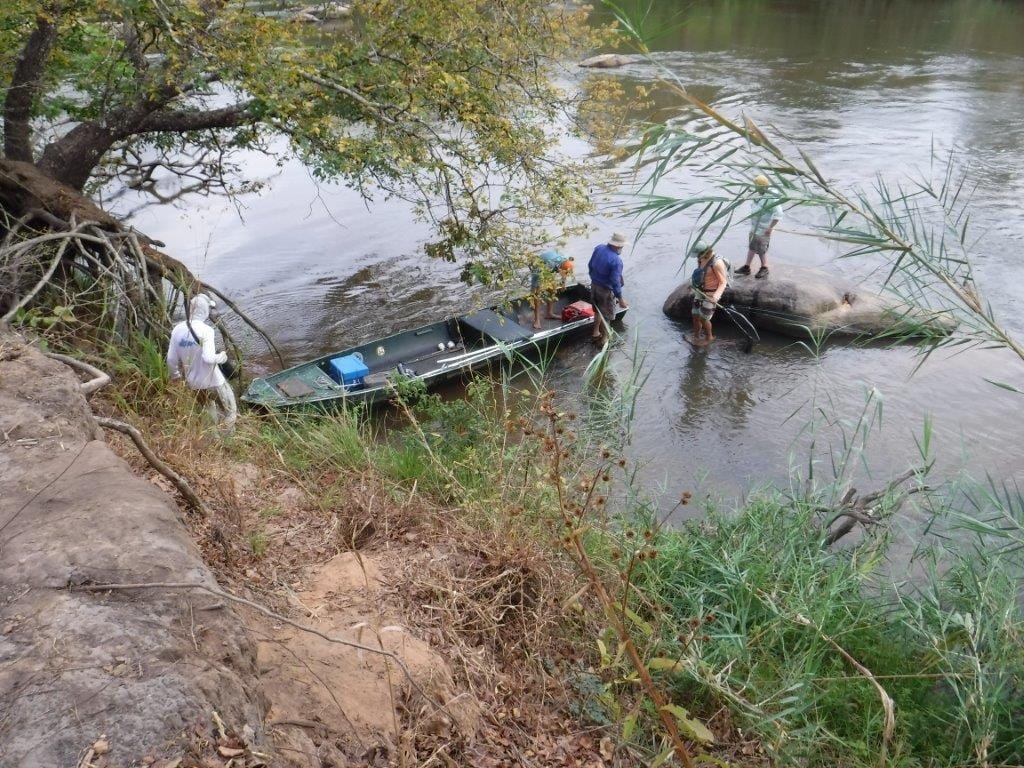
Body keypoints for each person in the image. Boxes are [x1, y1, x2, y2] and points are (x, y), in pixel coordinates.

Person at [166, 293, 237, 429]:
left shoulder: (177, 330)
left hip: (195, 385)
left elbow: (171, 360)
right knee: (231, 412)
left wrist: (175, 376)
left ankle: (214, 441)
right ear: (205, 310)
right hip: (214, 382)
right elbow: (209, 358)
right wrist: (222, 357)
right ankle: (227, 441)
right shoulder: (206, 330)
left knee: (209, 414)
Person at [735, 174, 782, 279]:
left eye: (756, 185)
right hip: (754, 227)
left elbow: (779, 214)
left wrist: (770, 227)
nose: (755, 187)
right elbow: (751, 199)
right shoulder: (758, 194)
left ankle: (764, 268)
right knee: (752, 246)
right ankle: (747, 267)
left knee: (761, 249)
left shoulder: (771, 198)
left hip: (764, 229)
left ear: (763, 186)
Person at [587, 231, 629, 344]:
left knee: (597, 311)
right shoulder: (616, 261)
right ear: (618, 246)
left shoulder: (599, 248)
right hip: (605, 291)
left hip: (594, 285)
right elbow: (615, 281)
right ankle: (605, 340)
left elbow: (590, 265)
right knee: (607, 316)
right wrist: (620, 299)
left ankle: (595, 332)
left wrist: (594, 278)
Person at [690, 241, 728, 346]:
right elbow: (699, 272)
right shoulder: (700, 259)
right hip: (700, 290)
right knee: (695, 314)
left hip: (711, 293)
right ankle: (696, 335)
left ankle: (709, 337)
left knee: (704, 318)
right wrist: (692, 283)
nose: (697, 257)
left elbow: (723, 282)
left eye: (698, 255)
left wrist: (716, 297)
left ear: (705, 252)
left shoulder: (716, 263)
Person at [530, 249, 574, 329]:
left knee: (553, 288)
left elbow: (565, 273)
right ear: (561, 268)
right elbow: (534, 282)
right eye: (563, 272)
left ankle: (549, 313)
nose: (564, 275)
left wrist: (563, 283)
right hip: (539, 265)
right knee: (537, 292)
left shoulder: (566, 261)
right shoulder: (550, 263)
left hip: (551, 267)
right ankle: (537, 320)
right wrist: (532, 297)